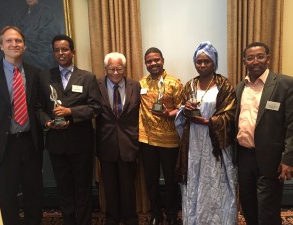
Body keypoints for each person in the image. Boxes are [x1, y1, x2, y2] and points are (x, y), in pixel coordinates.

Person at [37, 34, 100, 225]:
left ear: (73, 51)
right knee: (63, 189)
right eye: (56, 50)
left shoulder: (88, 77)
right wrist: (48, 122)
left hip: (81, 144)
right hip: (56, 144)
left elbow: (95, 108)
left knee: (82, 189)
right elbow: (38, 108)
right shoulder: (44, 76)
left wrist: (70, 111)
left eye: (64, 49)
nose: (60, 53)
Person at [175, 41, 238, 224]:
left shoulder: (224, 85)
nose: (202, 65)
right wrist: (185, 109)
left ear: (214, 62)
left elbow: (230, 115)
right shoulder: (189, 85)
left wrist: (209, 121)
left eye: (206, 61)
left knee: (216, 182)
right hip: (193, 142)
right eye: (199, 61)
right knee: (194, 179)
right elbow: (181, 112)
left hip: (215, 143)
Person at [235, 42, 293, 225]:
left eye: (260, 56)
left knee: (267, 210)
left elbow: (292, 124)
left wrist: (288, 159)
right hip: (244, 156)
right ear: (244, 61)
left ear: (268, 58)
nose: (255, 61)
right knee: (248, 205)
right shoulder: (240, 87)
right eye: (250, 57)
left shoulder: (285, 84)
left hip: (271, 159)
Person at [0, 26, 43, 225]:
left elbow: (39, 106)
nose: (14, 44)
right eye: (9, 41)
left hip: (30, 142)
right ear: (1, 46)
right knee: (7, 194)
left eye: (18, 41)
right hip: (3, 146)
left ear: (24, 46)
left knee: (33, 192)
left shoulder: (34, 73)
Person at [139, 47, 183, 225]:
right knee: (151, 181)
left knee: (172, 181)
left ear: (163, 61)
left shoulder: (174, 83)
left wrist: (168, 114)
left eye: (156, 60)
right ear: (146, 64)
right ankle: (156, 214)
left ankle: (172, 214)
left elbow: (182, 109)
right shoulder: (141, 83)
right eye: (149, 61)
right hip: (147, 139)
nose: (153, 63)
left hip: (170, 140)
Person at [96, 52, 141, 225]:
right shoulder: (96, 84)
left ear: (125, 68)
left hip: (129, 143)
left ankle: (130, 217)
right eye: (111, 68)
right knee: (110, 186)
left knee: (128, 186)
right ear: (105, 69)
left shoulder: (135, 86)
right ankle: (112, 218)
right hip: (106, 143)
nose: (115, 72)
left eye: (119, 68)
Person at [10, 0, 60, 70]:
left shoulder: (46, 12)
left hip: (40, 53)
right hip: (21, 50)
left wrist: (26, 45)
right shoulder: (19, 13)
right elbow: (12, 32)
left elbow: (49, 39)